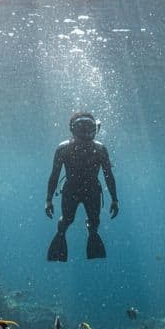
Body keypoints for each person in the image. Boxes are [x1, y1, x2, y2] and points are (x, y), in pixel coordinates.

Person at [45, 111, 117, 261]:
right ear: (72, 129)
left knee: (93, 221)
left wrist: (49, 200)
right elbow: (54, 175)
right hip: (79, 190)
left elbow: (109, 175)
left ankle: (67, 235)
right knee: (68, 220)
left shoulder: (98, 149)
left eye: (88, 127)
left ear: (95, 129)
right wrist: (114, 200)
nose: (85, 132)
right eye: (80, 128)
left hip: (81, 190)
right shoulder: (65, 149)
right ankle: (63, 234)